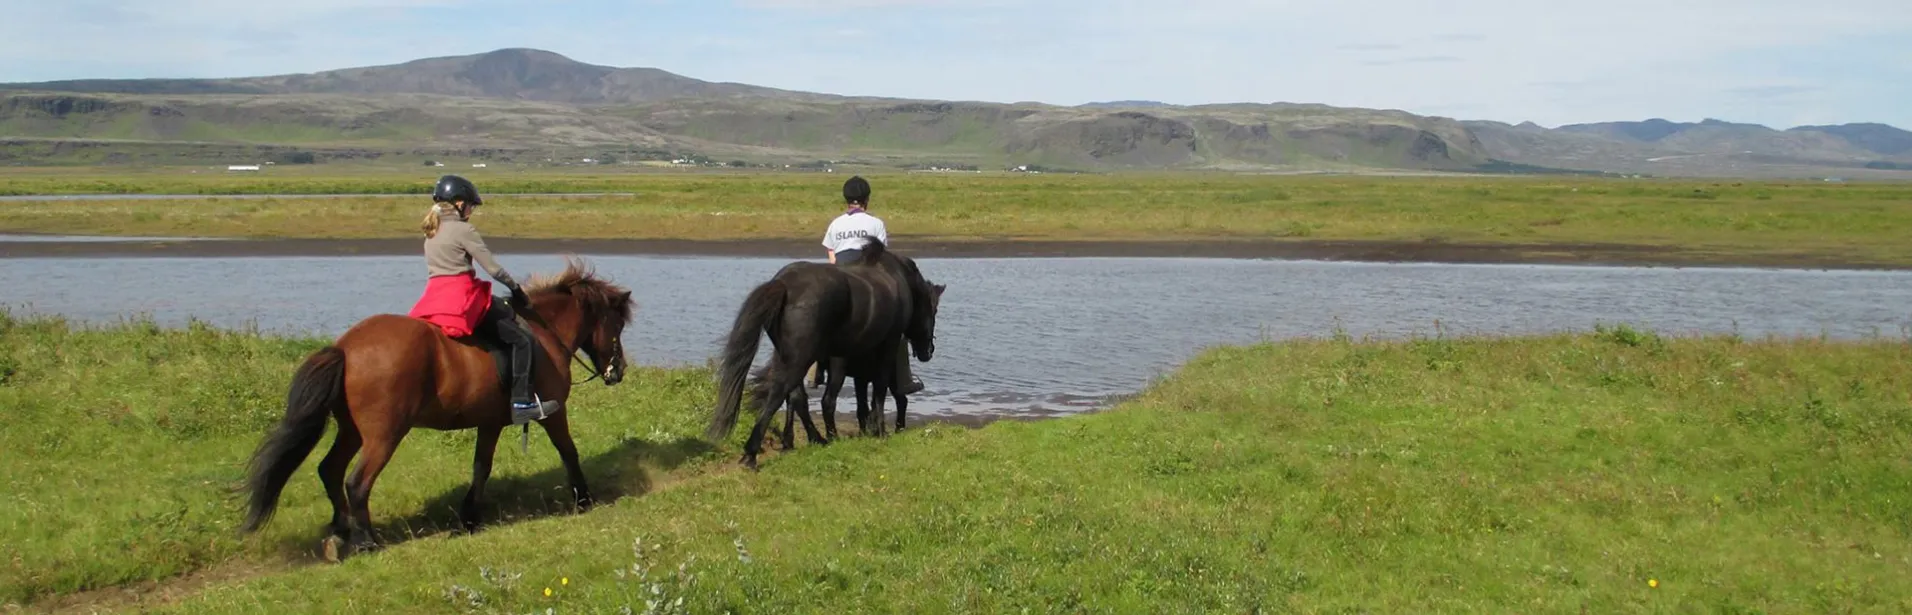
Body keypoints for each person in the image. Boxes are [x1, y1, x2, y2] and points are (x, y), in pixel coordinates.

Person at [407, 174, 561, 425]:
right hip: (462, 297)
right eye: (470, 205)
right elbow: (493, 269)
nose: (471, 210)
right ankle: (522, 403)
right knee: (522, 340)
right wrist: (517, 289)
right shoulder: (463, 230)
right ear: (458, 203)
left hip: (433, 297)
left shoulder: (431, 231)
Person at [811, 175, 924, 395]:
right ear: (867, 200)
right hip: (868, 277)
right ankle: (903, 380)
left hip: (840, 274)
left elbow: (832, 258)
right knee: (896, 326)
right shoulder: (875, 224)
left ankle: (814, 372)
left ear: (846, 200)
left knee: (818, 326)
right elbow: (880, 258)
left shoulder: (835, 224)